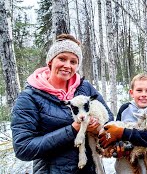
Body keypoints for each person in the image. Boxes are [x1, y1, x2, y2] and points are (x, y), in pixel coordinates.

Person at [11, 34, 114, 173]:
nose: (67, 65)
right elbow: (23, 148)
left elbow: (110, 119)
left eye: (73, 61)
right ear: (50, 62)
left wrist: (97, 128)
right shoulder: (30, 97)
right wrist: (72, 130)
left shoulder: (85, 88)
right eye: (62, 59)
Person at [98, 73, 147, 174]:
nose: (143, 94)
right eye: (139, 90)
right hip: (125, 169)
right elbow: (115, 134)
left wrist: (123, 133)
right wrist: (117, 147)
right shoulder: (125, 109)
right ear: (131, 92)